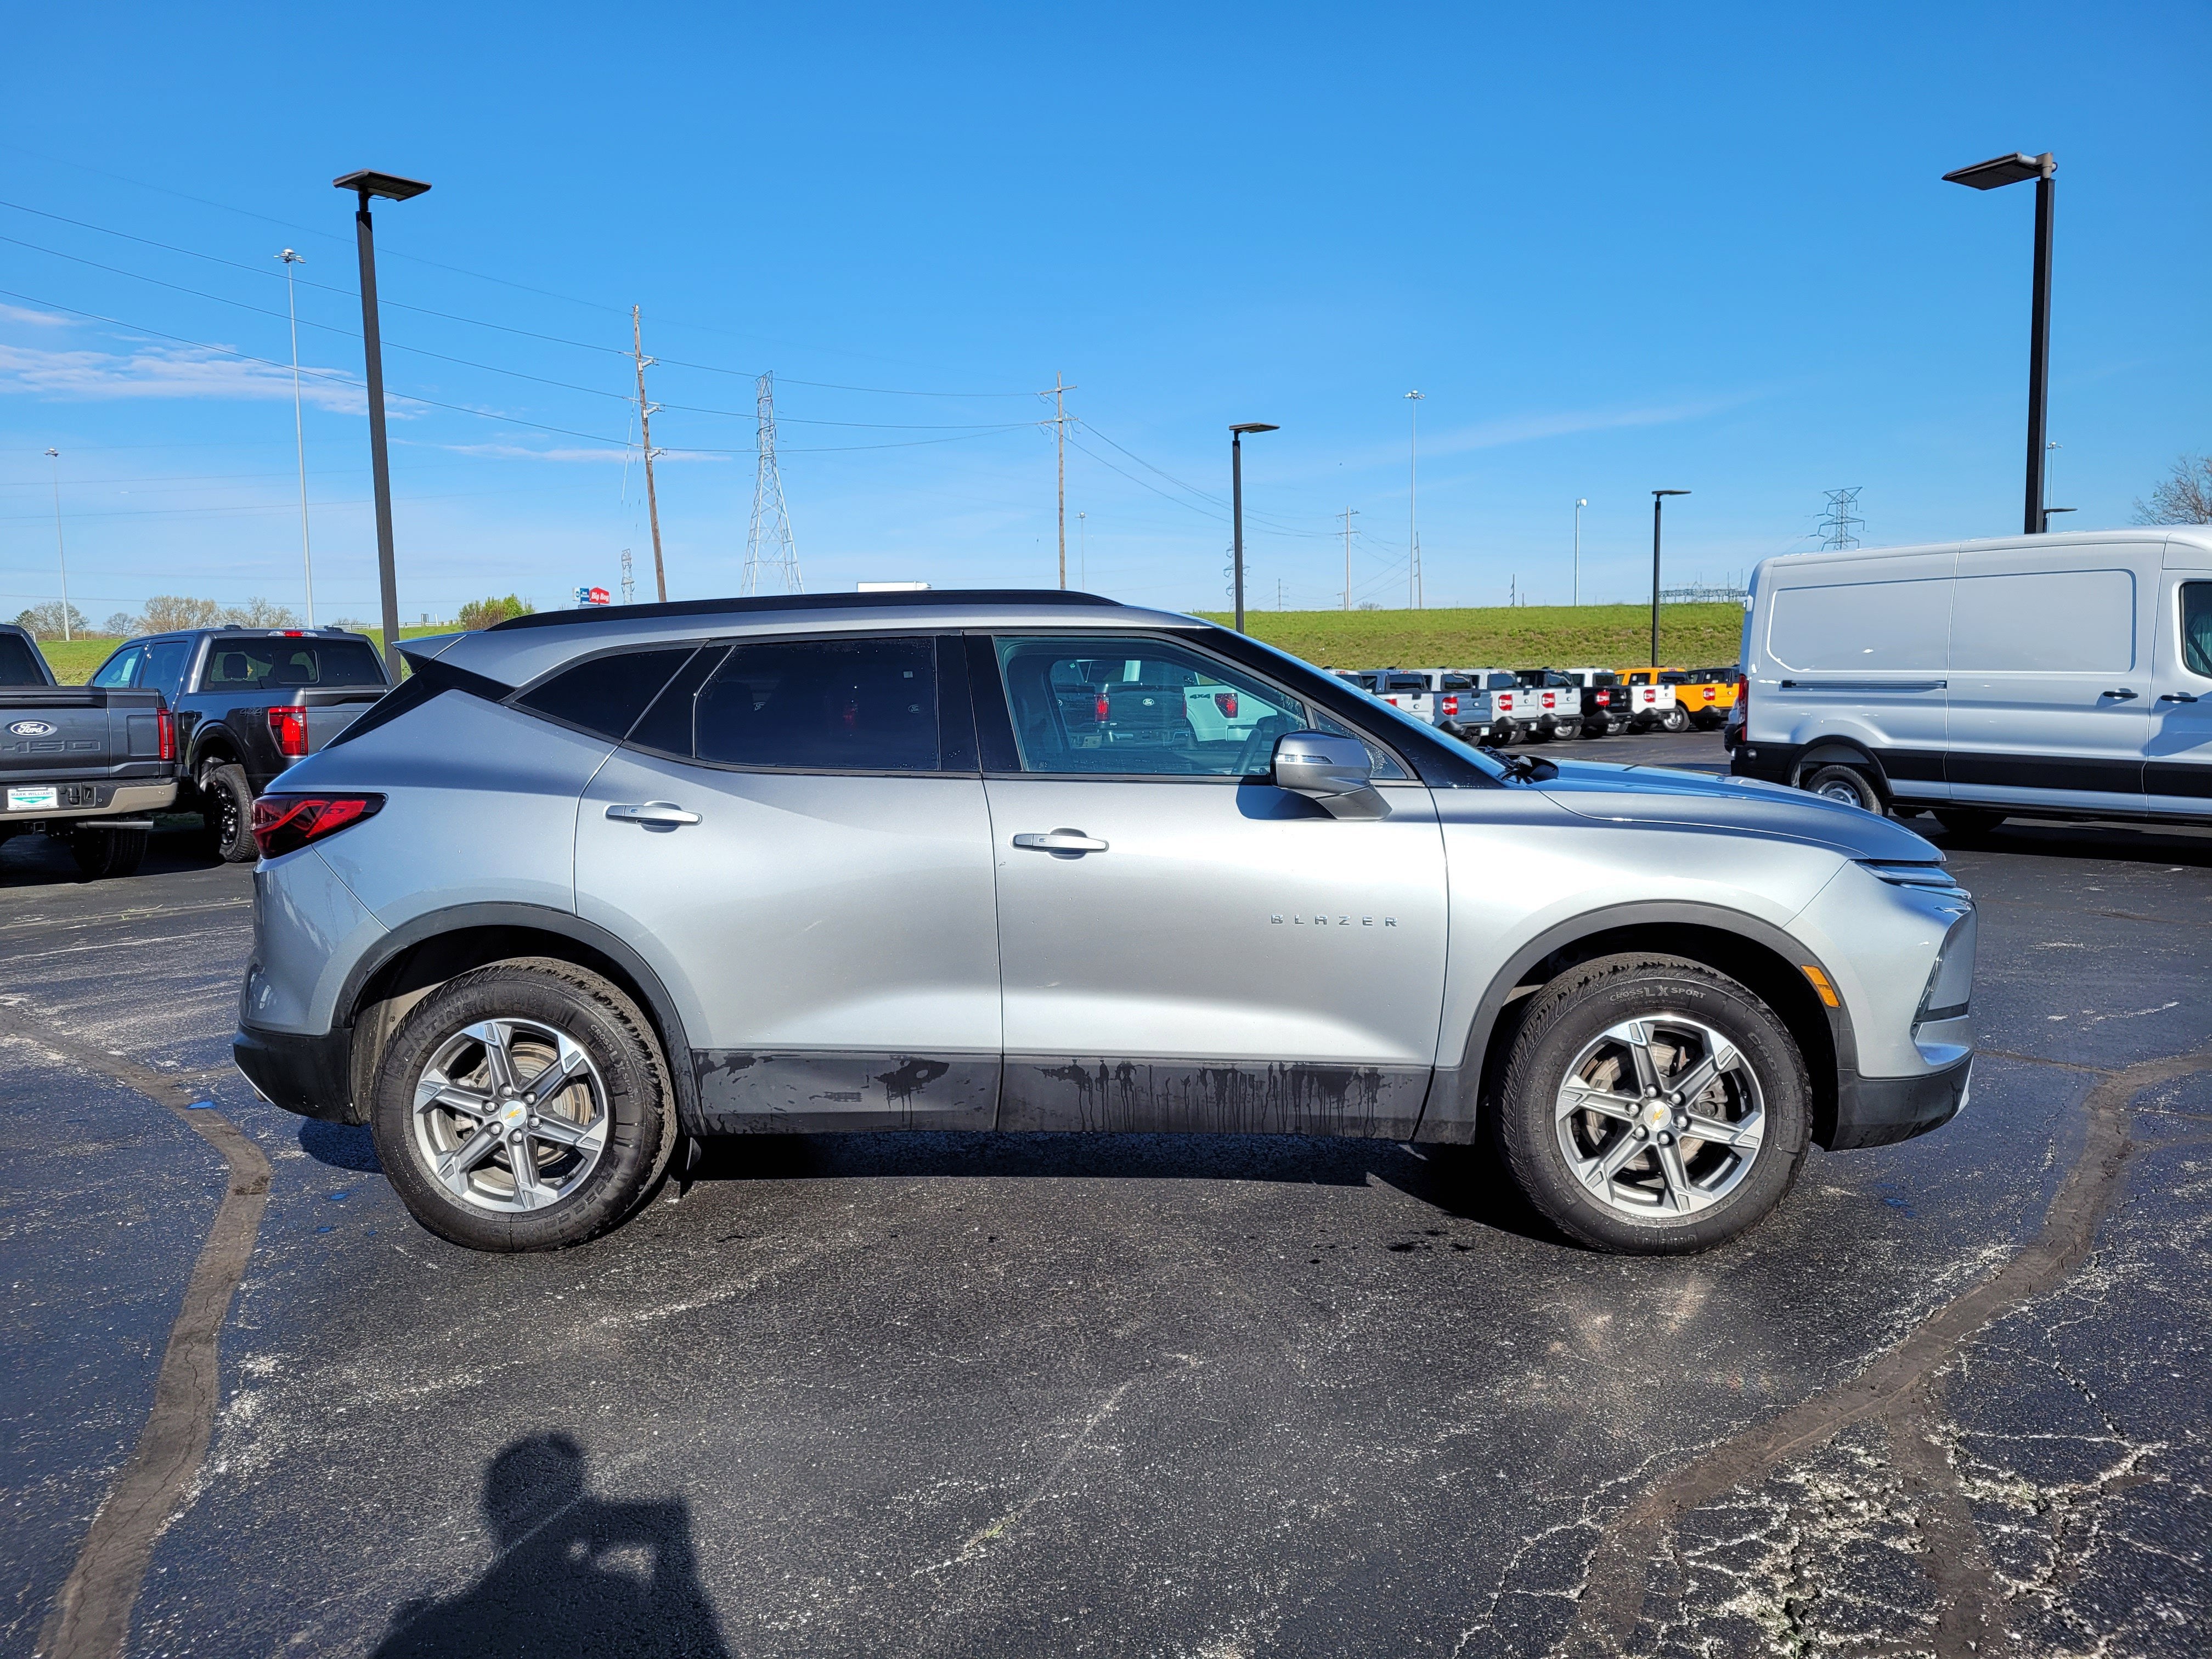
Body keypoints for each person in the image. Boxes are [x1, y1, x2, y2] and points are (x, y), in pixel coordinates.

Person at [371, 1433, 730, 1658]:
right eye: (564, 1501)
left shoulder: (433, 1631)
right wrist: (674, 1564)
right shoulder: (617, 1609)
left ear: (492, 1511)